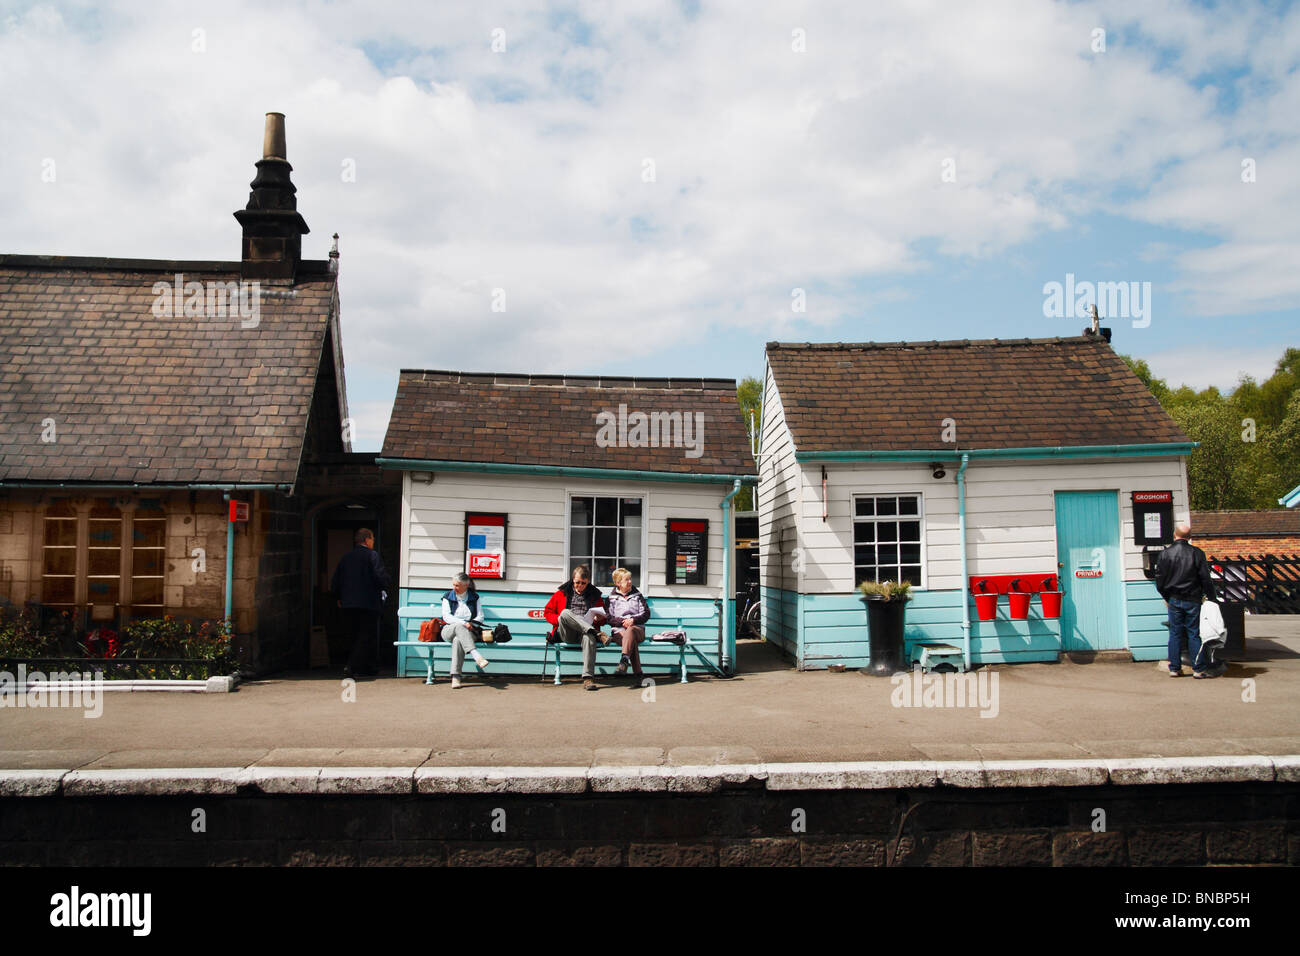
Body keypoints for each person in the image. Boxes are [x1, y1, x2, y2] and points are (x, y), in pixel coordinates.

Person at [1154, 521, 1217, 678]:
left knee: (1175, 633)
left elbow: (1160, 580)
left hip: (1174, 598)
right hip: (1193, 598)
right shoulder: (1197, 553)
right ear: (1189, 537)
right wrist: (1211, 597)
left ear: (1175, 535)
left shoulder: (1165, 554)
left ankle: (1174, 668)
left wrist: (1166, 596)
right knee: (1194, 633)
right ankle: (1198, 669)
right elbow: (1205, 578)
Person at [331, 528, 392, 678]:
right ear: (367, 540)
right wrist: (386, 585)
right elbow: (380, 575)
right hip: (368, 603)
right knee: (367, 635)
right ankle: (358, 667)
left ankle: (356, 665)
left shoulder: (346, 557)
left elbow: (336, 580)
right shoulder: (372, 555)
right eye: (372, 539)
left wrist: (338, 597)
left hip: (348, 603)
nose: (373, 542)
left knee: (352, 634)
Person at [543, 564, 607, 691]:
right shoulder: (561, 593)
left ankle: (588, 679)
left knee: (589, 637)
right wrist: (560, 620)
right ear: (573, 580)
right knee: (565, 613)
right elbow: (547, 612)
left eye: (583, 583)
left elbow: (603, 617)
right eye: (577, 582)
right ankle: (595, 632)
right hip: (567, 632)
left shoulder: (594, 595)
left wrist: (599, 619)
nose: (580, 586)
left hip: (584, 633)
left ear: (588, 582)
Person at [442, 572, 489, 689]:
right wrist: (464, 623)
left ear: (466, 586)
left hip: (469, 632)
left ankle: (456, 677)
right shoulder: (447, 597)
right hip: (449, 629)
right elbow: (446, 617)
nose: (454, 588)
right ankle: (476, 655)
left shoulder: (474, 597)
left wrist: (471, 624)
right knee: (459, 627)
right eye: (453, 585)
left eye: (457, 585)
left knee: (458, 640)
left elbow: (480, 616)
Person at [605, 567, 650, 680]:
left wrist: (633, 621)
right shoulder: (611, 599)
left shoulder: (637, 596)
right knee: (630, 640)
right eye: (627, 580)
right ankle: (638, 674)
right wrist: (622, 622)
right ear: (618, 583)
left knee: (631, 631)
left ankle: (624, 661)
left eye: (630, 579)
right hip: (619, 633)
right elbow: (608, 618)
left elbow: (646, 614)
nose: (630, 582)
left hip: (637, 630)